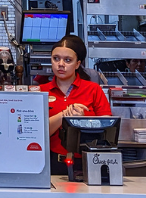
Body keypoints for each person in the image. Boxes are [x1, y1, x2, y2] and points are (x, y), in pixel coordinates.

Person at [43, 35, 111, 173]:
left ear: (78, 64)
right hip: (50, 163)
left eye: (68, 60)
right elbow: (36, 132)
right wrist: (63, 116)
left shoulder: (93, 89)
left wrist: (83, 121)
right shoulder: (41, 91)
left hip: (89, 162)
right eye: (56, 58)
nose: (61, 64)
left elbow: (108, 131)